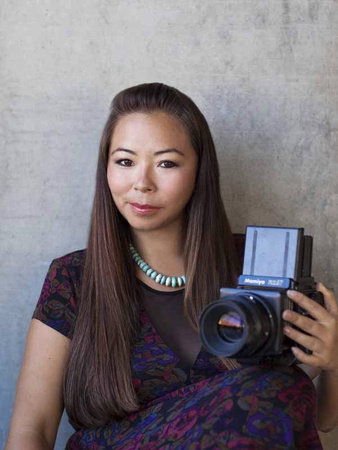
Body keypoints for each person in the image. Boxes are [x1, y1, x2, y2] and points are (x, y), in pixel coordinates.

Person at [6, 83, 338, 449]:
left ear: (199, 170)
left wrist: (334, 363)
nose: (142, 184)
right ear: (106, 169)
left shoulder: (262, 263)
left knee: (278, 387)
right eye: (125, 162)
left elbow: (317, 420)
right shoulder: (73, 279)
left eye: (166, 163)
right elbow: (31, 429)